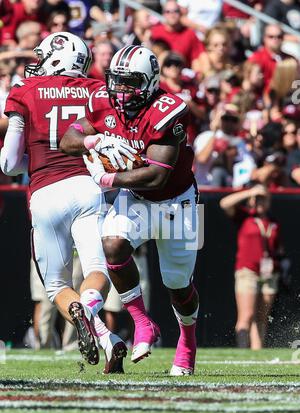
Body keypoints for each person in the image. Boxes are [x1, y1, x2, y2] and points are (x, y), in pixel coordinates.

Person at [60, 45, 200, 376]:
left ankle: (188, 340)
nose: (121, 91)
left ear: (151, 82)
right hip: (135, 197)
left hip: (177, 203)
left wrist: (109, 175)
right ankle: (142, 323)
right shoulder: (104, 101)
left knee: (177, 284)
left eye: (130, 83)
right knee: (112, 244)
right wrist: (92, 142)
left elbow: (157, 173)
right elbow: (69, 138)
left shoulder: (168, 109)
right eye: (117, 81)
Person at [0, 32, 134, 373]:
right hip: (87, 188)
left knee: (58, 286)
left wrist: (35, 155)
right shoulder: (96, 89)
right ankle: (109, 339)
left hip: (45, 193)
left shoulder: (24, 91)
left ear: (56, 58)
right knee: (96, 271)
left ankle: (86, 317)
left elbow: (9, 163)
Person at [220, 184, 283, 349]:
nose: (260, 202)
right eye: (257, 198)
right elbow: (224, 203)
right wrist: (250, 192)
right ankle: (242, 352)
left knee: (261, 317)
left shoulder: (273, 221)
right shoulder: (245, 216)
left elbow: (278, 248)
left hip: (269, 273)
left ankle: (257, 352)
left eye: (264, 198)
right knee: (246, 315)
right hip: (248, 270)